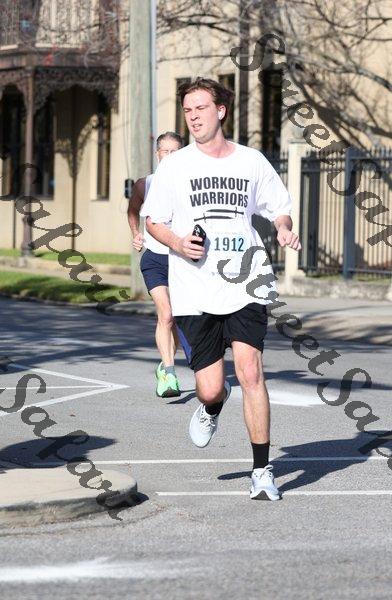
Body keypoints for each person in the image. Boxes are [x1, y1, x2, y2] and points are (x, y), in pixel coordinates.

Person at [141, 78, 301, 501]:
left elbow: (279, 208)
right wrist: (178, 243)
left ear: (221, 111)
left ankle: (261, 470)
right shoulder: (174, 167)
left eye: (200, 108)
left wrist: (283, 229)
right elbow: (153, 220)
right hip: (194, 288)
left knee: (251, 371)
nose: (193, 117)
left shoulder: (251, 161)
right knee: (211, 386)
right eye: (187, 110)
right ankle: (213, 404)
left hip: (246, 280)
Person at [127, 131, 183, 398]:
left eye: (175, 152)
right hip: (155, 259)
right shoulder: (145, 184)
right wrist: (135, 233)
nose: (170, 156)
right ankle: (169, 374)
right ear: (157, 154)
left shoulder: (189, 184)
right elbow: (132, 210)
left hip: (182, 260)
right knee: (166, 315)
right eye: (165, 152)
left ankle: (165, 362)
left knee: (179, 320)